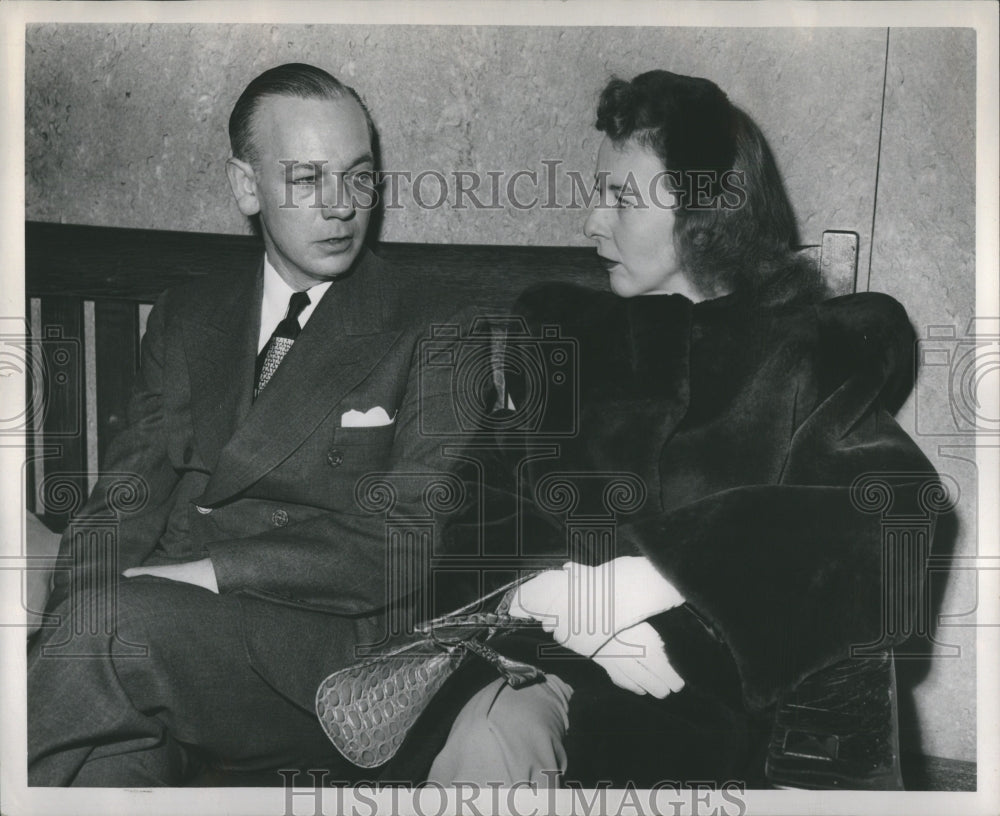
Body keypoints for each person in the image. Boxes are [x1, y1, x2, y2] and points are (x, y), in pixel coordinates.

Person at [418, 70, 937, 788]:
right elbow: (475, 513)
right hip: (539, 678)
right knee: (490, 736)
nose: (592, 221)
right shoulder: (566, 339)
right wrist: (546, 599)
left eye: (622, 199)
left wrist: (651, 579)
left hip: (719, 719)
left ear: (703, 214)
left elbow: (890, 516)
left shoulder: (804, 354)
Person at [28, 63, 471, 786]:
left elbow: (404, 540)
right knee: (105, 758)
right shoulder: (187, 316)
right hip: (161, 637)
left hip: (331, 662)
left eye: (359, 177)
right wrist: (78, 604)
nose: (340, 207)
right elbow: (123, 503)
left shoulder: (439, 322)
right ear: (246, 186)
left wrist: (199, 575)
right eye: (306, 179)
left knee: (107, 638)